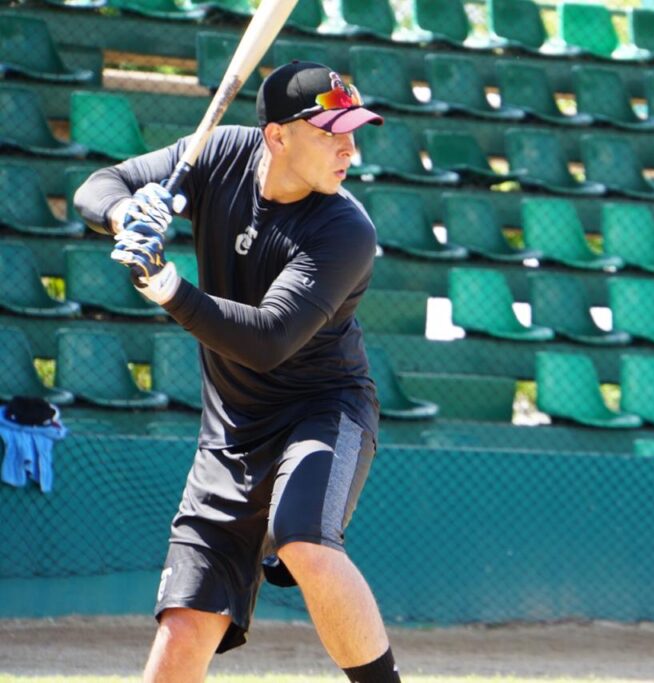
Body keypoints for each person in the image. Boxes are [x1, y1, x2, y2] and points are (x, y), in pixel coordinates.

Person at [74, 61, 401, 683]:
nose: (350, 149)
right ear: (277, 137)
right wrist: (127, 214)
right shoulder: (219, 154)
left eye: (354, 132)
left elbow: (269, 339)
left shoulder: (346, 230)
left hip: (322, 413)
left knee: (302, 537)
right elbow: (100, 184)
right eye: (332, 131)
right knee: (185, 624)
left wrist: (169, 286)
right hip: (229, 434)